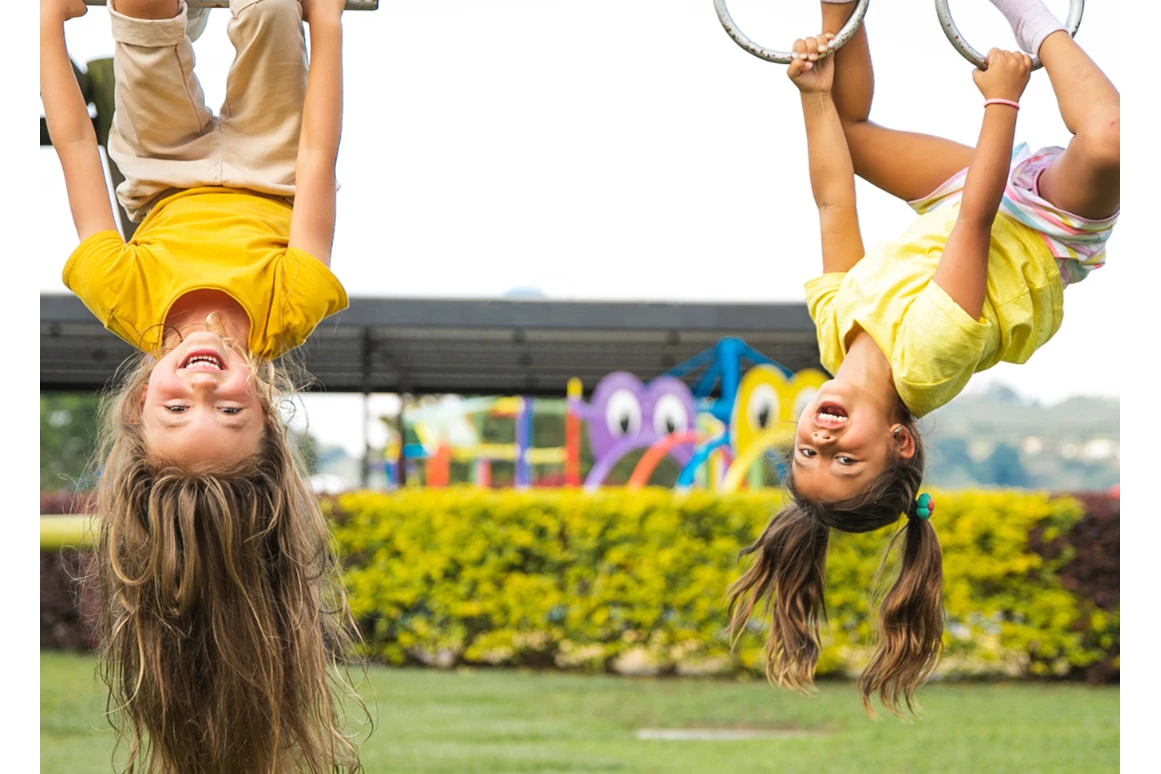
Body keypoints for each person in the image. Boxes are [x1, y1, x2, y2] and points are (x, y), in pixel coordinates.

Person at [727, 0, 1119, 717]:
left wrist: (813, 98)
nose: (819, 444)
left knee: (847, 133)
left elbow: (830, 200)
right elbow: (976, 220)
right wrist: (1002, 96)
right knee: (1108, 143)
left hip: (959, 200)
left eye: (806, 459)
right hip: (1039, 226)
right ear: (897, 441)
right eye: (845, 460)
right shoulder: (927, 361)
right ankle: (1034, 17)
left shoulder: (833, 333)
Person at [40, 0, 366, 769]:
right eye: (229, 410)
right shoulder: (294, 302)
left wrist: (48, 27)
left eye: (176, 408)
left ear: (136, 403)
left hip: (159, 169)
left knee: (143, 14)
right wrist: (330, 27)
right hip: (272, 165)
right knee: (269, 14)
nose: (203, 385)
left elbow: (77, 148)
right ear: (268, 414)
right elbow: (318, 157)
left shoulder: (125, 298)